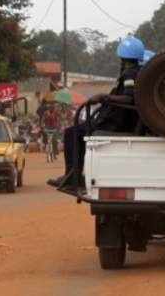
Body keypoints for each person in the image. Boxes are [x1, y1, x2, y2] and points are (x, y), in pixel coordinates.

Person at [48, 36, 144, 189]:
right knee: (76, 132)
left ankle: (73, 178)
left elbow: (129, 97)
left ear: (124, 58)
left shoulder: (130, 75)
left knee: (71, 133)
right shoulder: (137, 72)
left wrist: (103, 97)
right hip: (113, 120)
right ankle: (74, 175)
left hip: (113, 123)